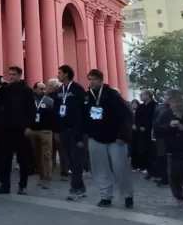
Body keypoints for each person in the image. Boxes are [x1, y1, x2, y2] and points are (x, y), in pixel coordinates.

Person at [84, 69, 134, 209]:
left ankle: (127, 195)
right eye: (89, 79)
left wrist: (123, 135)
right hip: (95, 138)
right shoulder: (87, 97)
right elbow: (83, 117)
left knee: (120, 168)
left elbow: (126, 116)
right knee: (100, 169)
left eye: (94, 79)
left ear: (101, 80)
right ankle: (105, 196)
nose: (91, 82)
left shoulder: (112, 95)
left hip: (115, 139)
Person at [153, 88, 183, 213]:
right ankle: (178, 195)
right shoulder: (165, 114)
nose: (176, 104)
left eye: (178, 101)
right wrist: (168, 126)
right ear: (169, 103)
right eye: (173, 102)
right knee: (174, 176)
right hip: (172, 151)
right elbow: (157, 130)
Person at [0, 66, 36, 195]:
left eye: (14, 74)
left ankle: (23, 185)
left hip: (21, 129)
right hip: (6, 129)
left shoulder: (27, 91)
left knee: (22, 159)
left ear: (20, 75)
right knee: (5, 158)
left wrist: (29, 126)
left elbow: (31, 110)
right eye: (10, 74)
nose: (11, 77)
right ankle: (5, 185)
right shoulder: (4, 90)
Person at [55, 65, 87, 200]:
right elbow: (56, 111)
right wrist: (57, 130)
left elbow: (81, 113)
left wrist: (80, 134)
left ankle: (75, 188)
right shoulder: (59, 91)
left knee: (76, 160)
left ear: (67, 74)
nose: (58, 75)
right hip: (63, 130)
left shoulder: (77, 89)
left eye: (60, 73)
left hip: (75, 130)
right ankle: (80, 187)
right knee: (69, 159)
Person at [28, 82, 56, 189]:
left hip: (46, 131)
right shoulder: (30, 101)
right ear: (35, 90)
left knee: (46, 154)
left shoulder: (50, 101)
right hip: (33, 131)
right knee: (37, 154)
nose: (43, 91)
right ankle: (41, 175)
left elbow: (54, 117)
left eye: (44, 89)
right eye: (40, 89)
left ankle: (47, 177)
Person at [135, 90, 156, 176]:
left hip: (151, 132)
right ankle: (145, 167)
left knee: (152, 151)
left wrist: (147, 127)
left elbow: (155, 119)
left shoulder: (155, 106)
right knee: (143, 149)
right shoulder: (141, 107)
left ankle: (153, 170)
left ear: (148, 95)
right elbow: (136, 118)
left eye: (142, 95)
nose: (140, 96)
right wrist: (139, 126)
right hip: (141, 132)